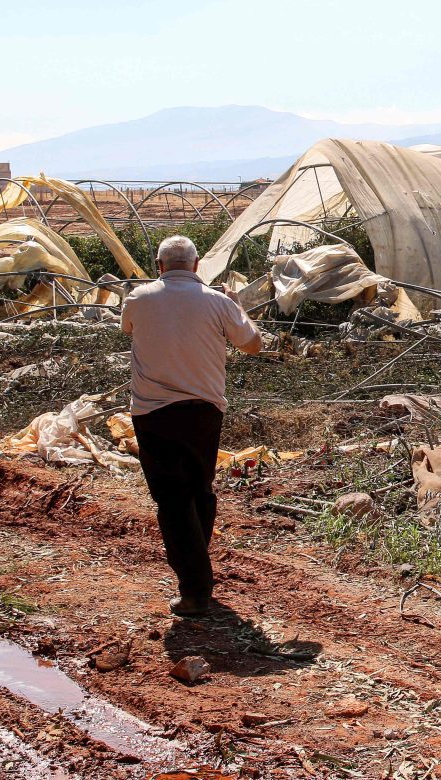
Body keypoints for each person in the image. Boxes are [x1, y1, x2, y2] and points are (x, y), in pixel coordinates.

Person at [120, 236, 263, 617]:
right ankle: (197, 571)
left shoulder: (139, 298)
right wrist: (237, 308)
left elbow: (128, 329)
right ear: (197, 266)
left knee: (172, 498)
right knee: (199, 490)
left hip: (153, 412)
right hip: (204, 411)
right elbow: (253, 345)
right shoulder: (218, 302)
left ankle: (196, 589)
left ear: (158, 264)